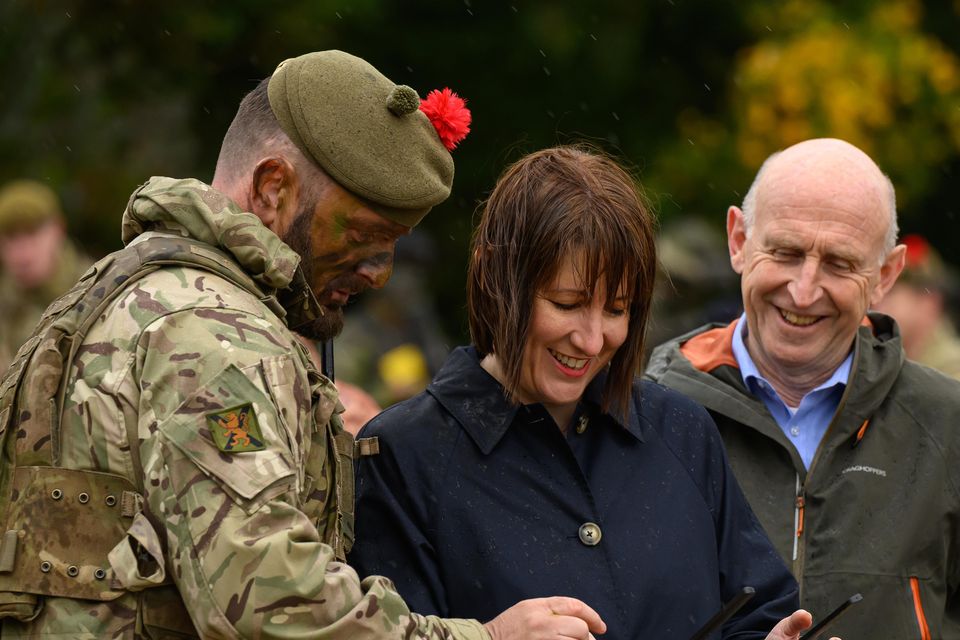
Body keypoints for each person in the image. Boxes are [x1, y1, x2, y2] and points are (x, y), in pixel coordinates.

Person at [0, 51, 605, 640]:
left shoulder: (129, 288)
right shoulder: (213, 338)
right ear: (271, 189)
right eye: (367, 236)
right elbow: (267, 602)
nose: (379, 273)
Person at [351, 146, 827, 640]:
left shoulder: (681, 430)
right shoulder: (402, 455)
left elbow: (756, 613)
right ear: (495, 276)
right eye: (567, 303)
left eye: (617, 310)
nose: (593, 340)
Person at [645, 138, 960, 638]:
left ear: (885, 275)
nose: (804, 290)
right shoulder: (644, 412)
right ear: (738, 241)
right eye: (786, 252)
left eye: (838, 263)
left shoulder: (948, 424)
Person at [0, 179, 92, 374]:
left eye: (32, 233)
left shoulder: (97, 291)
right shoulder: (5, 304)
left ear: (57, 229)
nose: (22, 254)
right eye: (11, 237)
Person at [873, 233, 960, 380]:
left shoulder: (952, 372)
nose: (875, 302)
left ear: (929, 303)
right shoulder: (893, 362)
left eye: (890, 292)